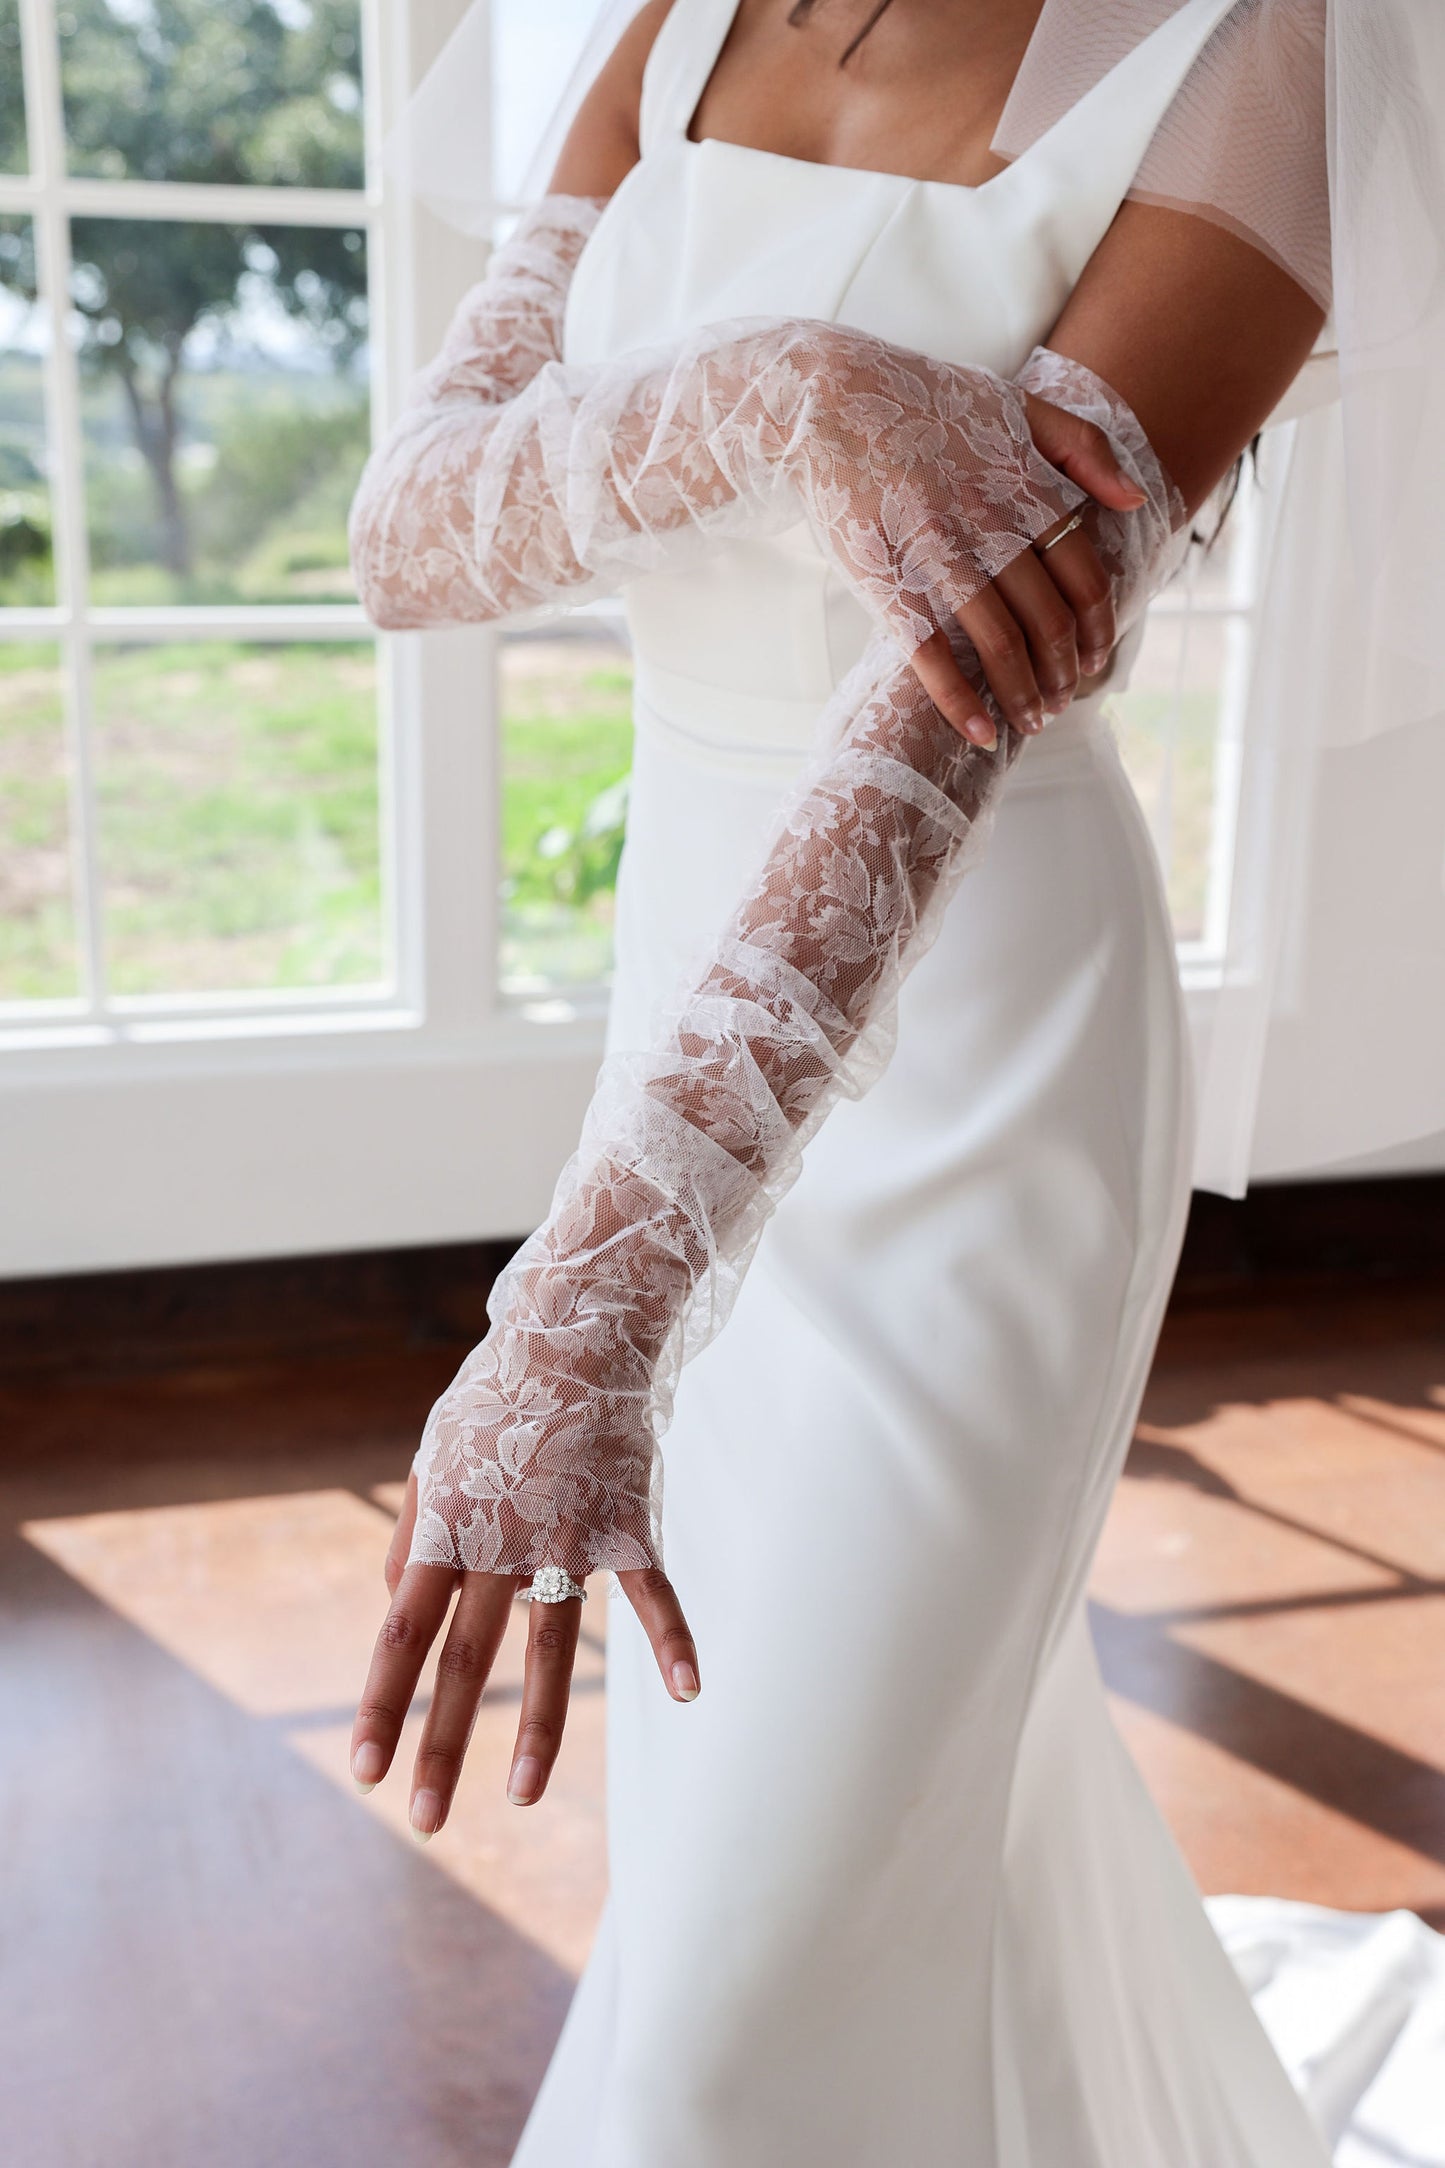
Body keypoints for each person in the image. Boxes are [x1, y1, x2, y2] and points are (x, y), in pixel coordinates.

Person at [344, 3, 1436, 2159]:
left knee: (753, 1984)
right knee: (866, 1837)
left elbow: (960, 703)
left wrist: (599, 1290)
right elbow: (409, 534)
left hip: (982, 1052)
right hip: (677, 967)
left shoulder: (1257, 40)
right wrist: (785, 395)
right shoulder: (675, 23)